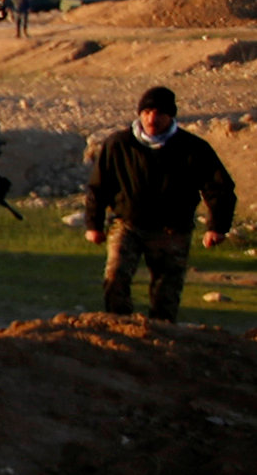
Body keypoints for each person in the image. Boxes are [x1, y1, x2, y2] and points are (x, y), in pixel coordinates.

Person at [84, 86, 237, 322]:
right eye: (146, 112)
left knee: (166, 293)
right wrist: (93, 224)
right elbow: (98, 186)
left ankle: (160, 343)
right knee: (115, 279)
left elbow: (219, 188)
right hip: (128, 225)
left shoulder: (192, 148)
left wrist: (217, 226)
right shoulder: (119, 144)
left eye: (159, 113)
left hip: (172, 230)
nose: (152, 118)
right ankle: (120, 330)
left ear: (170, 116)